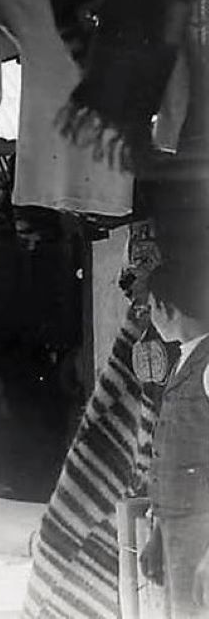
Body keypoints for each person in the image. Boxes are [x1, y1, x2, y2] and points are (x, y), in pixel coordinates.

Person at [139, 260, 209, 617]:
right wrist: (158, 534)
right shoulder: (186, 359)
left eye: (150, 307)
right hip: (177, 531)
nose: (150, 317)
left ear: (166, 307)